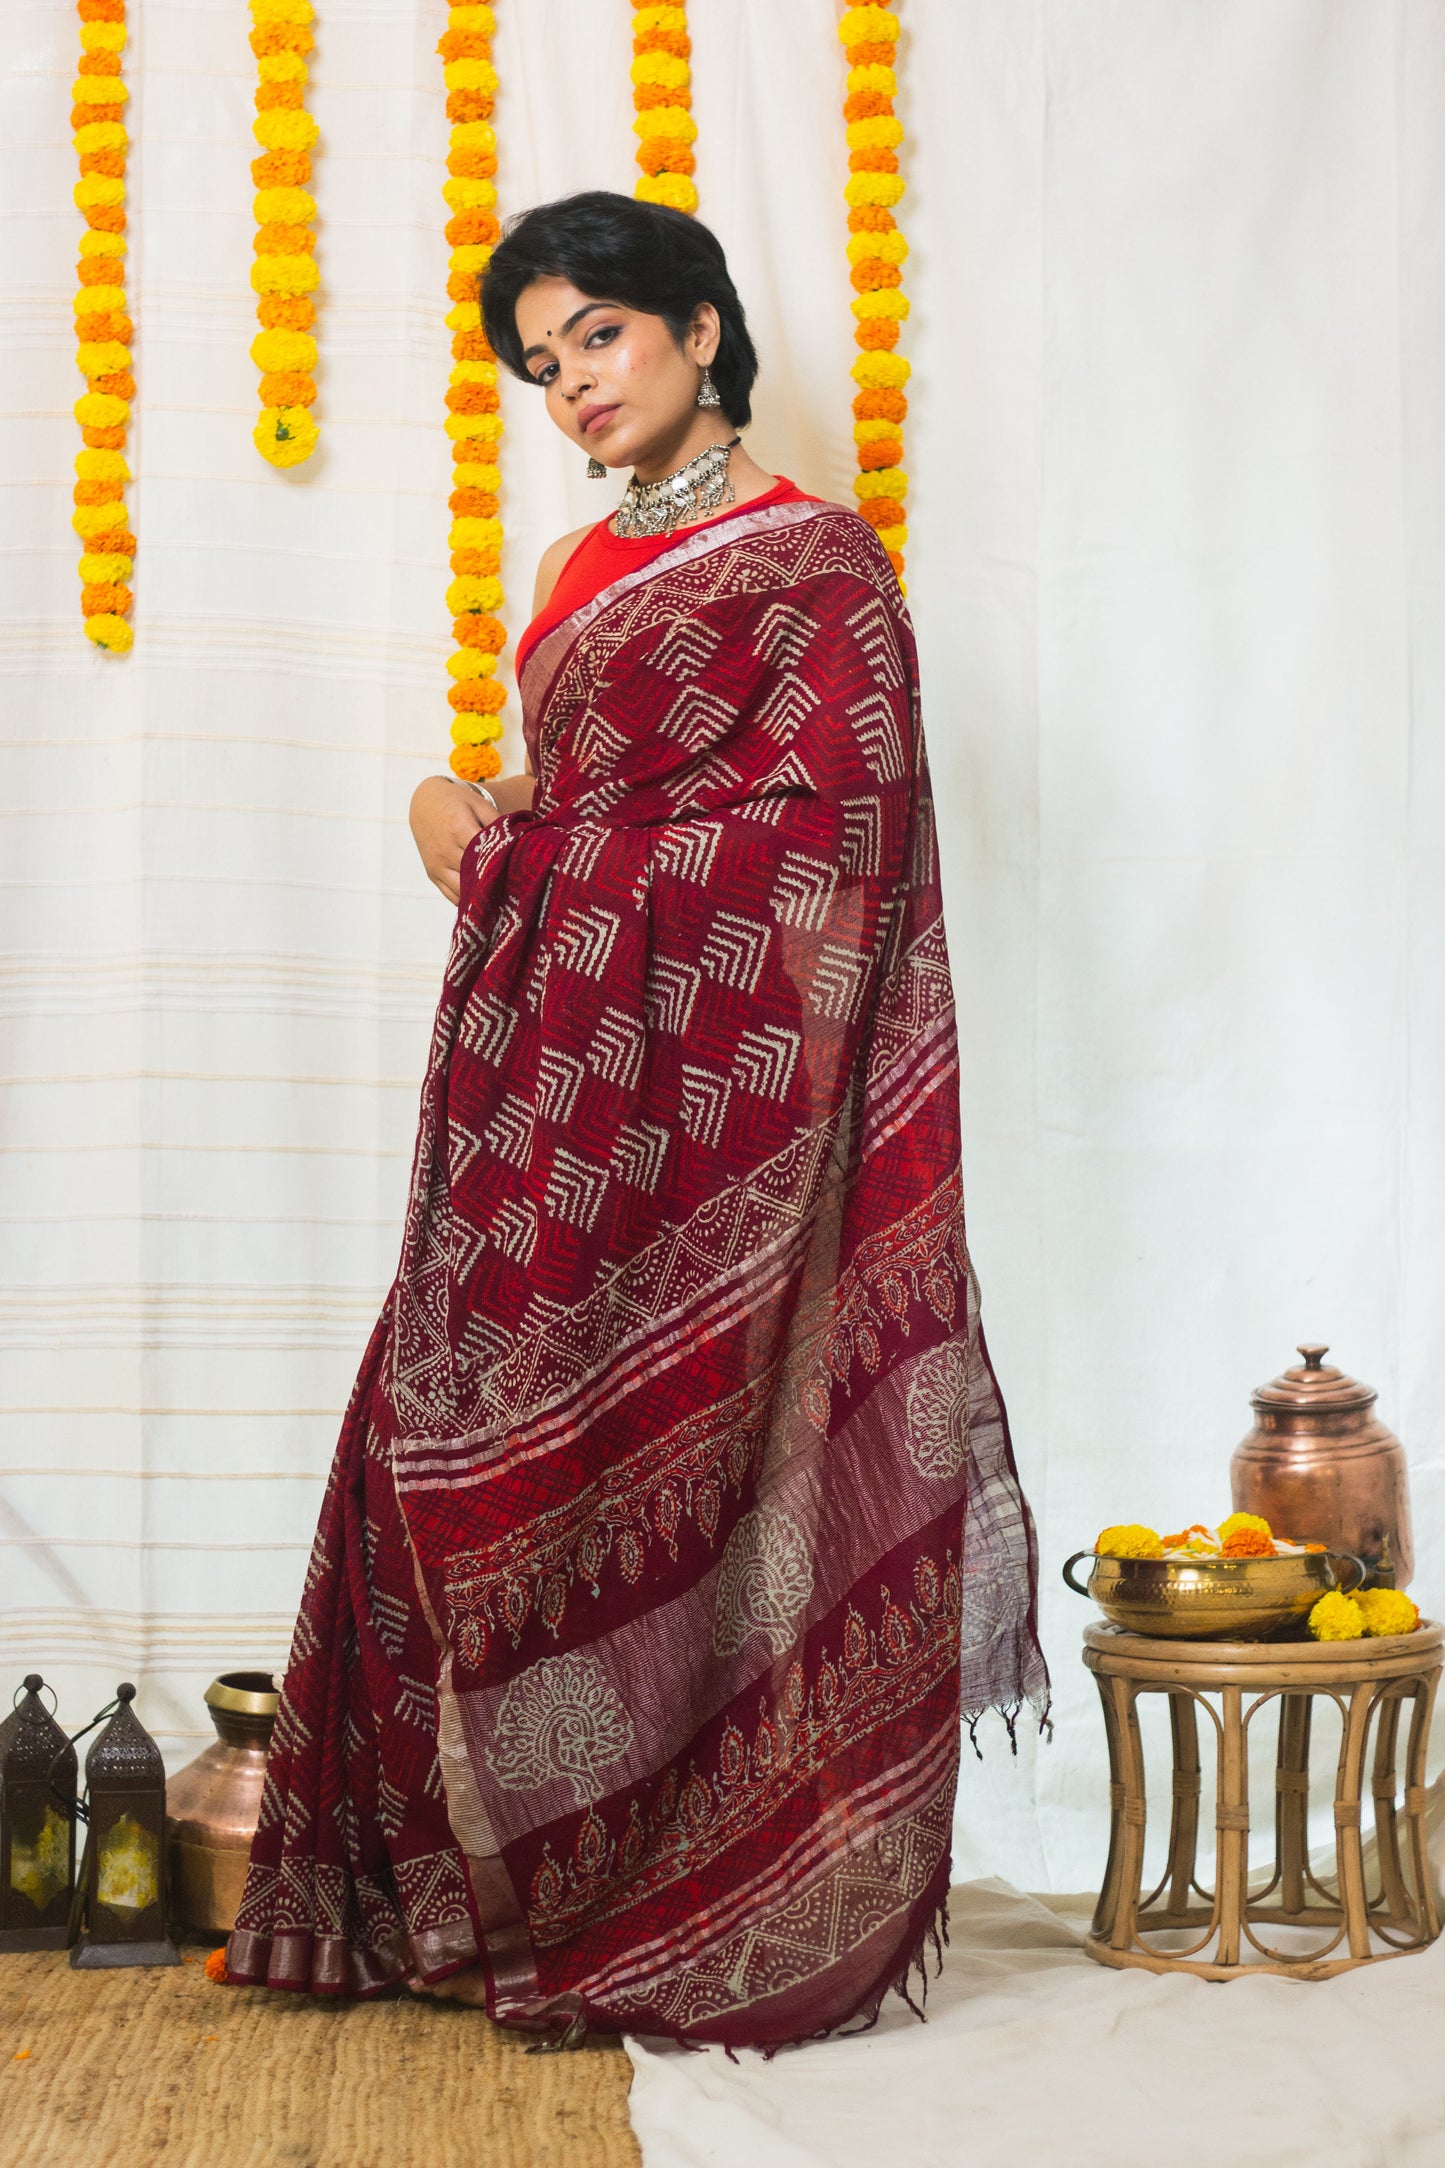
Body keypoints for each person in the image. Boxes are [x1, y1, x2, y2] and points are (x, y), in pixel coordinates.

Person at [227, 189, 1046, 2052]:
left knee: (660, 1451)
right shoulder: (573, 566)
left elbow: (827, 846)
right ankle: (470, 1884)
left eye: (597, 334)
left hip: (721, 1113)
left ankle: (679, 1877)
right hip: (548, 1081)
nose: (573, 384)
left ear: (697, 327)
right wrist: (458, 802)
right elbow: (581, 794)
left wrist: (516, 854)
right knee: (461, 1431)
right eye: (542, 363)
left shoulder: (816, 563)